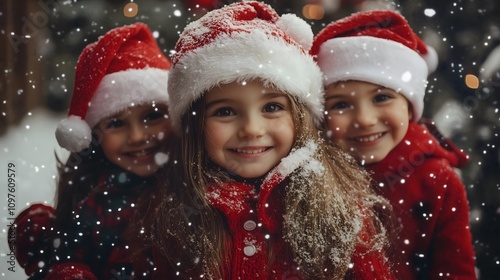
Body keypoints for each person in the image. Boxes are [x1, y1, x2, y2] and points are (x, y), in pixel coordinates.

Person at [149, 2, 394, 279]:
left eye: (271, 107)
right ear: (195, 126)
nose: (252, 129)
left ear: (300, 116)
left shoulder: (341, 204)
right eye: (225, 111)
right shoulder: (175, 212)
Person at [310, 10, 476, 279]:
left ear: (410, 109)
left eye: (381, 98)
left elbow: (455, 269)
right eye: (341, 104)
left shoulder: (438, 180)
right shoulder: (315, 174)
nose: (364, 119)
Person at [9, 22, 175, 279]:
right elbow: (64, 261)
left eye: (153, 116)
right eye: (116, 123)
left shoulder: (197, 182)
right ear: (93, 136)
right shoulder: (91, 201)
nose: (138, 136)